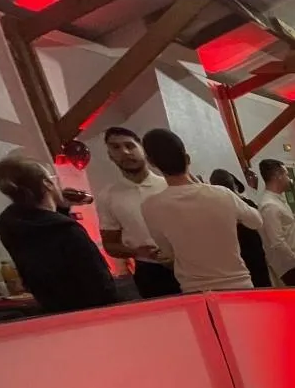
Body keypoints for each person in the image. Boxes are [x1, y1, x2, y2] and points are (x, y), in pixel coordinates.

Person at [139, 129, 261, 294]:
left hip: (196, 290)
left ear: (151, 162)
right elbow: (256, 221)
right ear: (187, 158)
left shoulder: (151, 206)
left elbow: (168, 252)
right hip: (239, 285)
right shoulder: (221, 194)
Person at [0, 156, 118, 314]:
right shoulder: (66, 229)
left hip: (51, 308)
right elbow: (100, 283)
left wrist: (61, 208)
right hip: (90, 310)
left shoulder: (10, 227)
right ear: (47, 183)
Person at [96, 126, 180, 298]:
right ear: (110, 155)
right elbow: (110, 244)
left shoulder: (169, 184)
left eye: (130, 145)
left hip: (187, 263)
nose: (125, 152)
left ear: (142, 149)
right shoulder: (108, 196)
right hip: (149, 271)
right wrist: (138, 252)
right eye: (116, 148)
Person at [209, 169, 272, 287]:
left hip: (234, 256)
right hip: (253, 252)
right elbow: (259, 223)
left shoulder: (215, 209)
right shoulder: (246, 204)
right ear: (235, 186)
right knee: (262, 285)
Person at [257, 159, 295, 286]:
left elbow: (287, 232)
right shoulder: (269, 205)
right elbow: (277, 241)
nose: (289, 179)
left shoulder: (279, 201)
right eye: (287, 175)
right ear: (278, 176)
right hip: (291, 267)